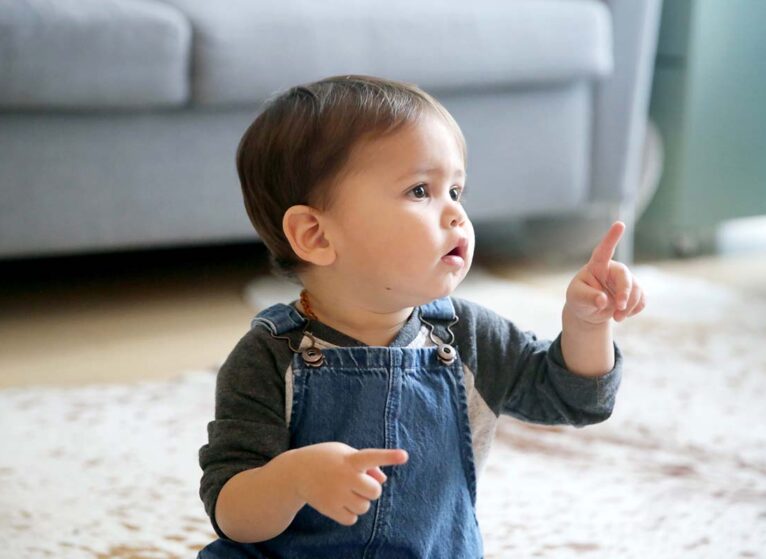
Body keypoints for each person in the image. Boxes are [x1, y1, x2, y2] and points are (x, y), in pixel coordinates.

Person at [196, 74, 646, 558]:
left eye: (456, 191)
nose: (456, 215)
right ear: (316, 235)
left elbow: (573, 398)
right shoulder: (268, 357)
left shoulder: (469, 336)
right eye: (419, 191)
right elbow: (232, 513)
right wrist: (293, 478)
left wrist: (587, 324)